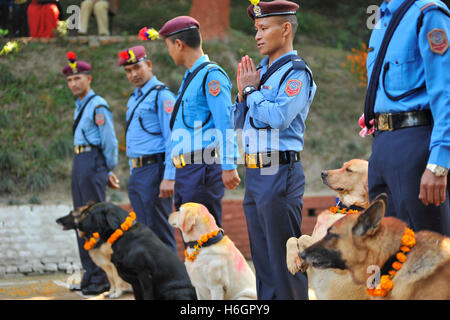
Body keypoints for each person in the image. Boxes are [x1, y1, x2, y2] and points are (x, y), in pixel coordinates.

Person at [230, 0, 317, 299]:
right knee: (263, 261)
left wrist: (253, 91)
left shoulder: (296, 72)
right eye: (256, 29)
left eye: (264, 28)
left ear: (286, 29)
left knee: (284, 260)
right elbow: (238, 123)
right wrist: (243, 93)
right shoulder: (260, 71)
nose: (257, 35)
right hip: (256, 170)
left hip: (279, 170)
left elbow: (279, 117)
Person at [141, 16, 240, 228]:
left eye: (169, 46)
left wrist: (229, 165)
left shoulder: (211, 76)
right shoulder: (191, 77)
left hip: (202, 170)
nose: (169, 52)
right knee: (191, 239)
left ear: (179, 44)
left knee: (205, 238)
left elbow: (225, 123)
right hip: (187, 171)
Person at [362, 0, 450, 236]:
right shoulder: (380, 18)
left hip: (416, 144)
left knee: (428, 250)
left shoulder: (428, 13)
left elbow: (446, 91)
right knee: (386, 249)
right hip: (382, 145)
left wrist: (438, 163)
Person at [62, 51, 120, 296]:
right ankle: (90, 273)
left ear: (89, 79)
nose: (74, 83)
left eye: (78, 78)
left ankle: (102, 277)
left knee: (94, 219)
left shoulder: (98, 106)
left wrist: (108, 169)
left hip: (93, 161)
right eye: (70, 80)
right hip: (80, 161)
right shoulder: (80, 106)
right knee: (81, 221)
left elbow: (109, 141)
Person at [118, 45, 178, 252]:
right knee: (143, 230)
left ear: (149, 65)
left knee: (158, 231)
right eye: (128, 70)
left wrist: (169, 176)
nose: (133, 74)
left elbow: (173, 138)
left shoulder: (162, 96)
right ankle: (154, 281)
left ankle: (173, 281)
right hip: (139, 171)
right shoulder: (134, 98)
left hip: (155, 170)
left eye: (137, 67)